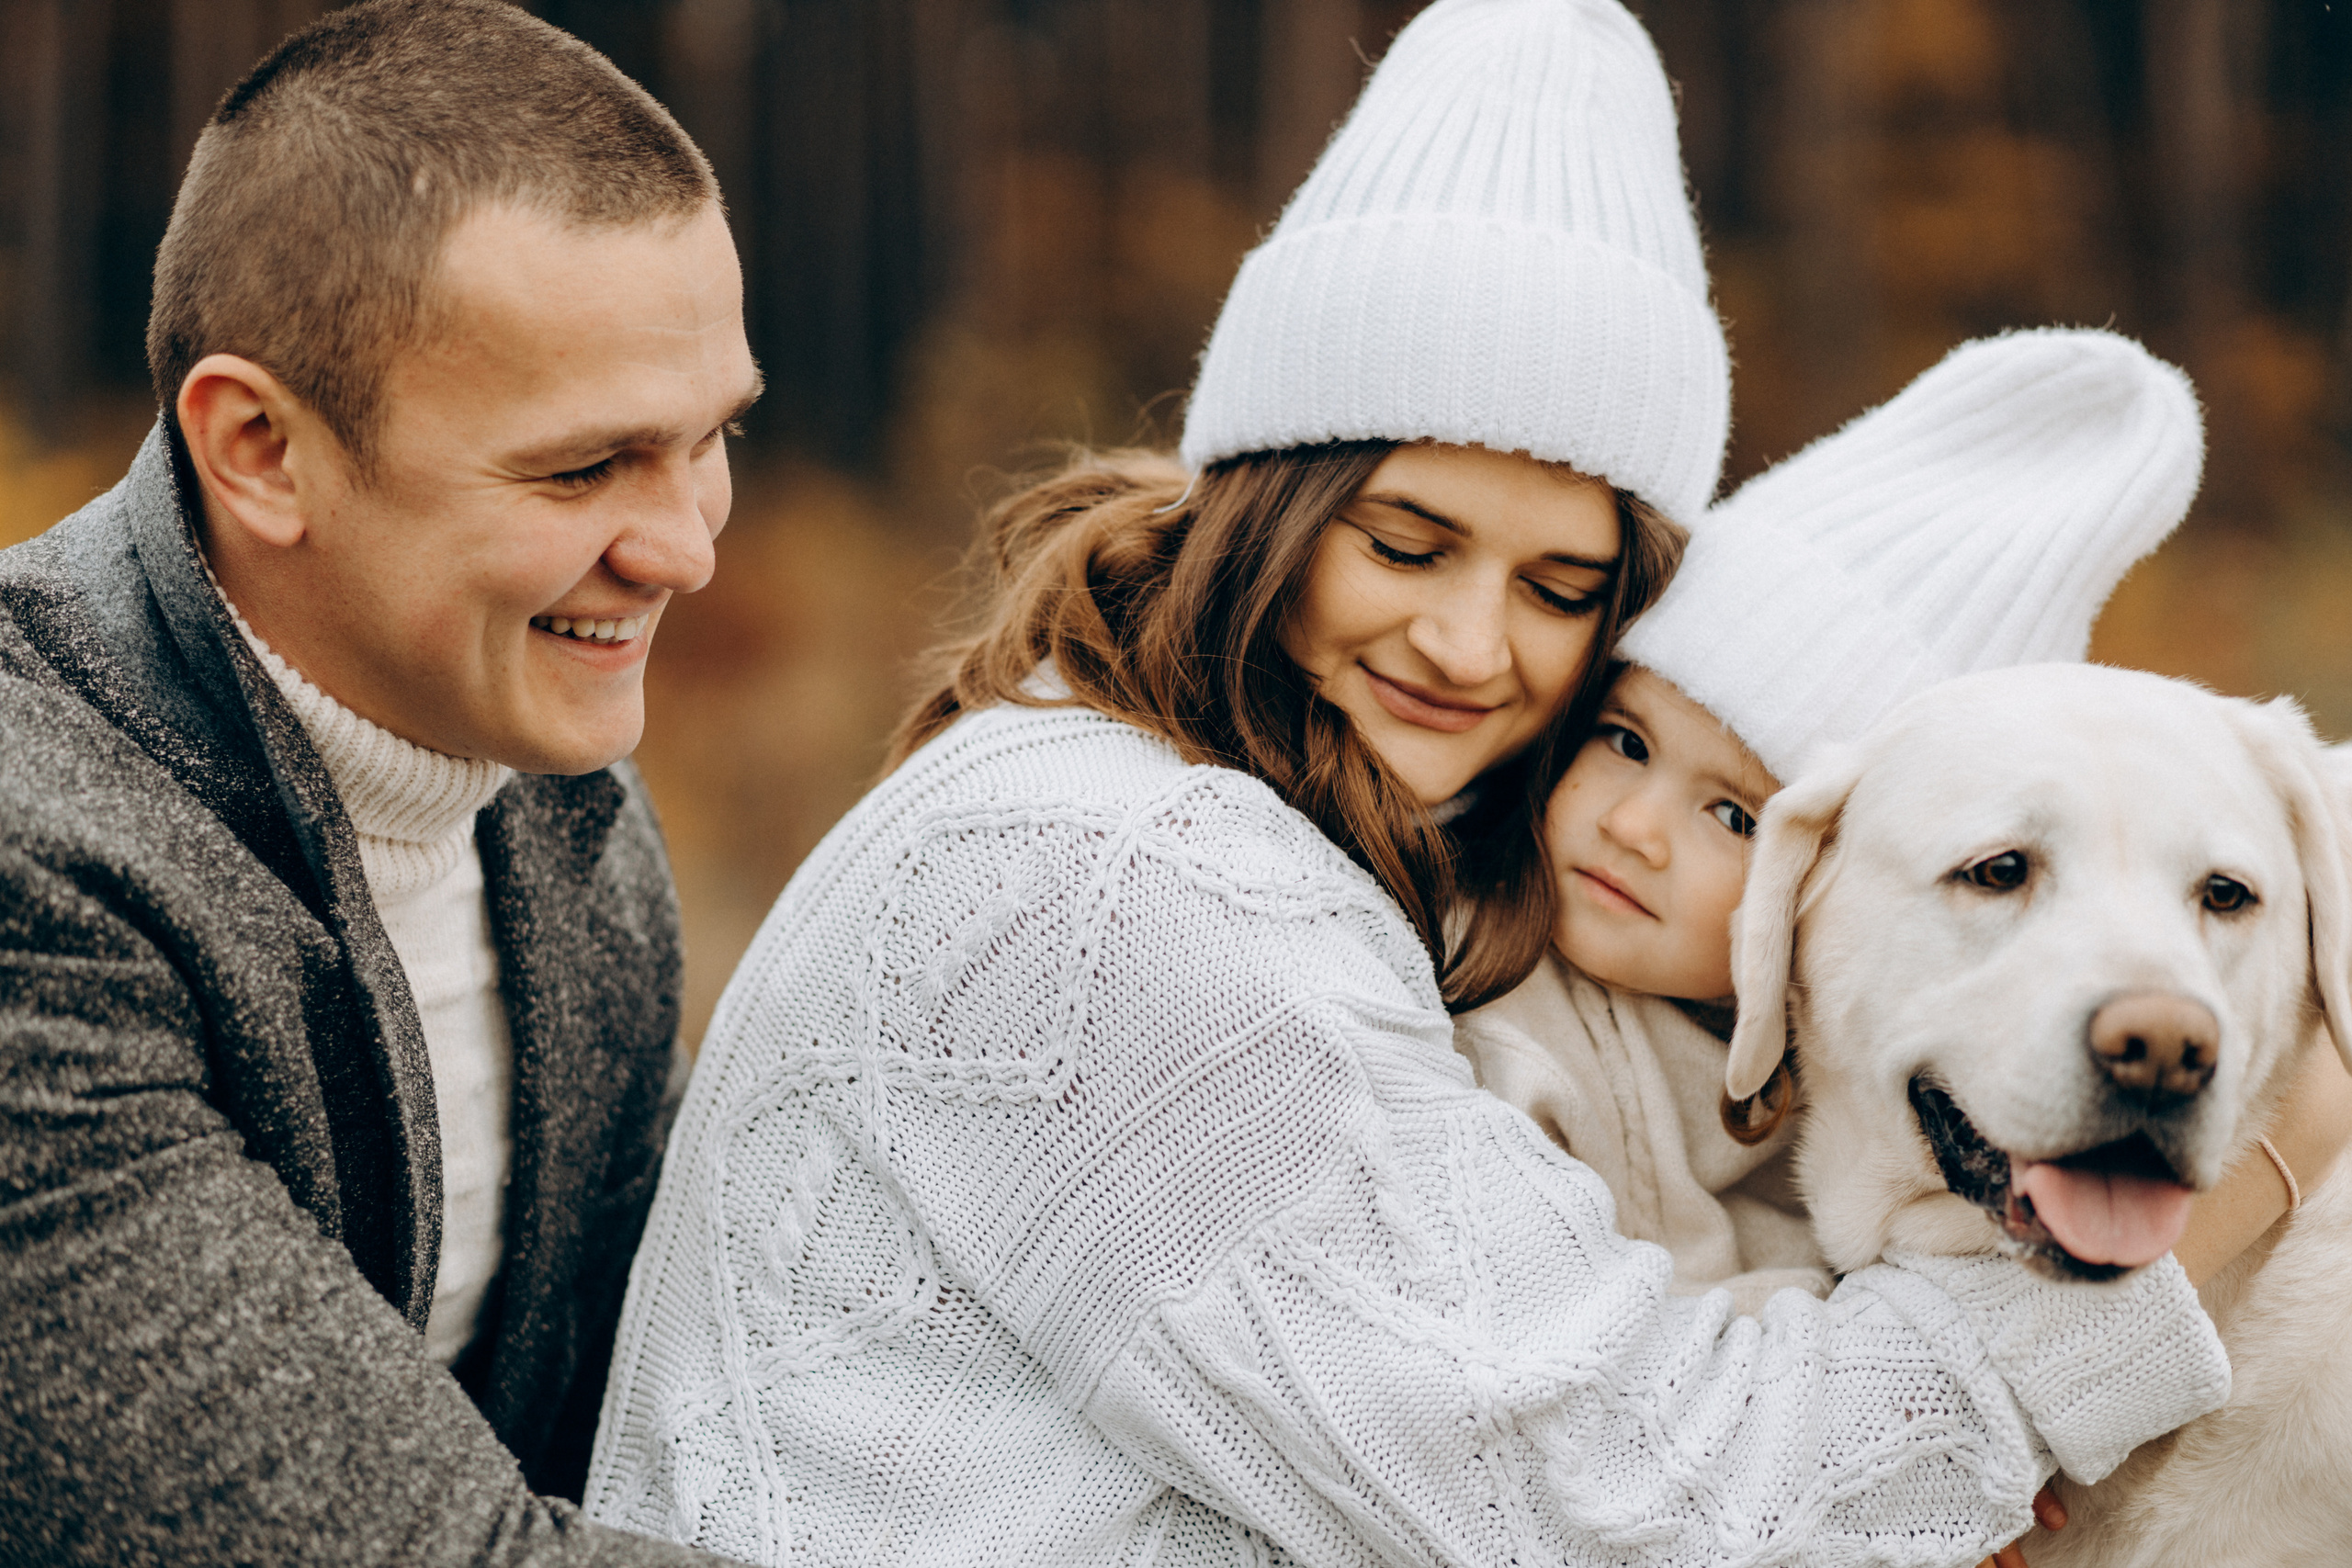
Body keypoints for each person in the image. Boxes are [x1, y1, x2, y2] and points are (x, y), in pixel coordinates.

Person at [585, 5, 2297, 1564]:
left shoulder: (1226, 823)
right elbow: (1615, 1500)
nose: (1474, 645)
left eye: (1562, 590)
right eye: (1406, 543)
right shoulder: (1132, 883)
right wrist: (2219, 1214)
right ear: (1266, 503)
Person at [0, 3, 757, 1562]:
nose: (684, 545)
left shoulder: (563, 811)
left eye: (712, 438)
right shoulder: (35, 870)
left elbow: (675, 1415)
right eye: (582, 466)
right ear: (261, 448)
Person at [1457, 327, 2239, 1315]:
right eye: (1624, 741)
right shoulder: (1499, 1019)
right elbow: (1639, 1361)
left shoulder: (1885, 1072)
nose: (1634, 829)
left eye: (1735, 815)